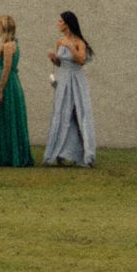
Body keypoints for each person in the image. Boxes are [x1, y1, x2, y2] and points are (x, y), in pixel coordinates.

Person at [44, 11, 96, 166]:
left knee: (80, 112)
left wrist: (71, 47)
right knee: (62, 113)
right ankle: (60, 152)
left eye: (60, 21)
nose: (58, 24)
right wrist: (54, 59)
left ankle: (86, 153)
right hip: (64, 79)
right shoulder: (60, 41)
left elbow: (81, 60)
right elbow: (61, 63)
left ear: (67, 23)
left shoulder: (79, 42)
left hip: (77, 80)